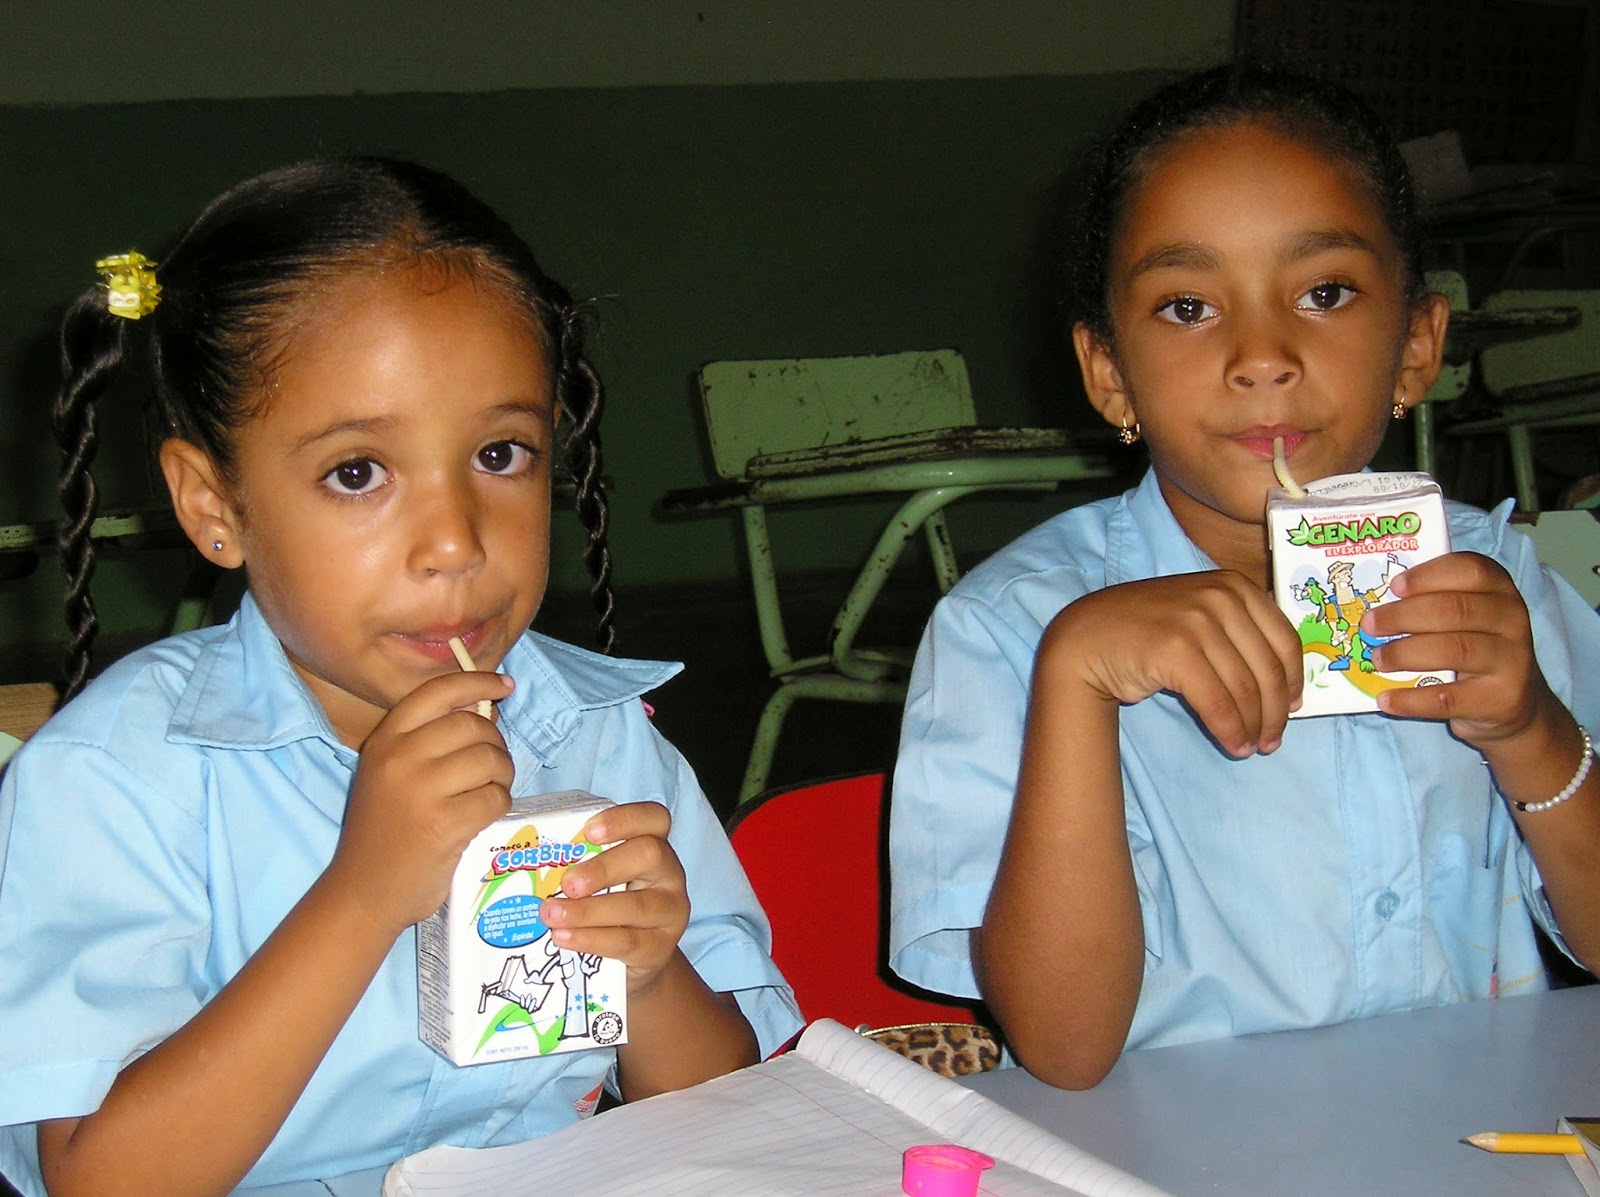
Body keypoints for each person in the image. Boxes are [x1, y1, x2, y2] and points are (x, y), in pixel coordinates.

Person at [0, 157, 801, 1195]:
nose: (454, 543)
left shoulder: (598, 738)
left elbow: (714, 1101)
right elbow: (102, 1181)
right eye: (357, 472)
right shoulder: (114, 784)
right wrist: (362, 896)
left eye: (501, 454)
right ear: (213, 506)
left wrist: (648, 975)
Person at [887, 63, 1600, 1091]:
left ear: (1415, 347)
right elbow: (1063, 1047)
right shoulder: (1009, 629)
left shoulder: (1496, 582)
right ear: (1107, 375)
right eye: (1186, 306)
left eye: (1323, 293)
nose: (1260, 355)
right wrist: (1077, 679)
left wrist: (1530, 731)